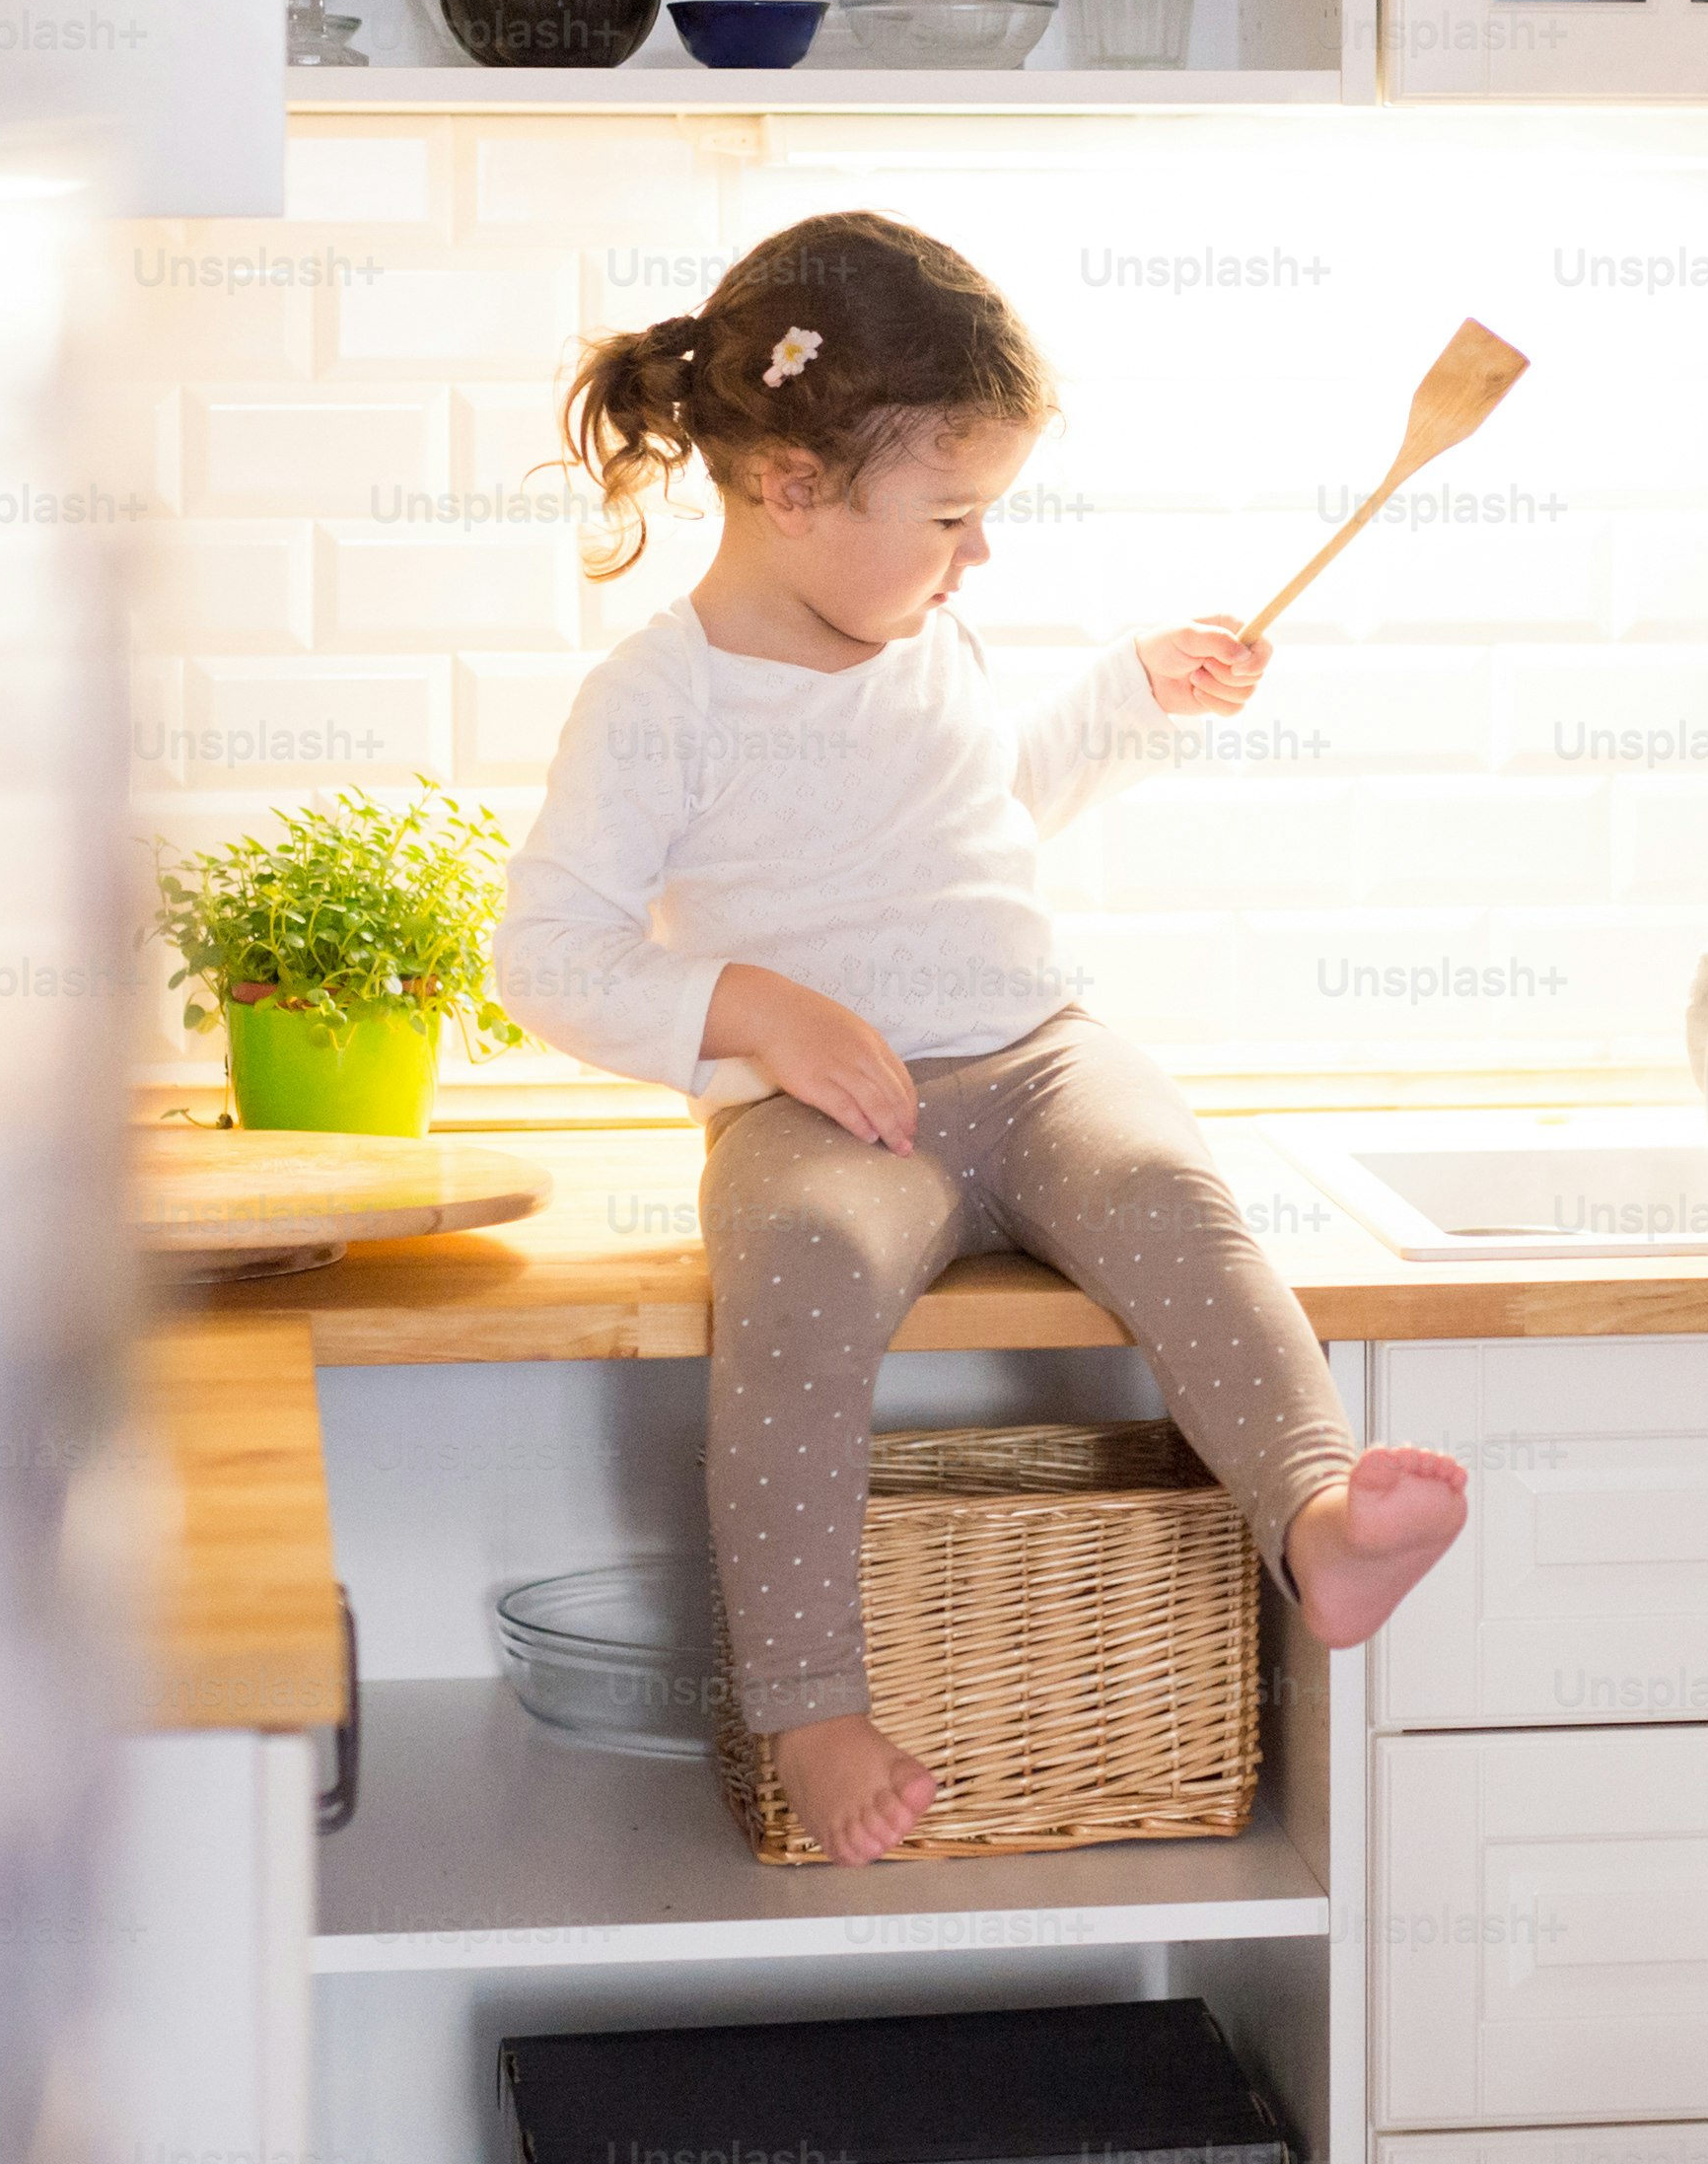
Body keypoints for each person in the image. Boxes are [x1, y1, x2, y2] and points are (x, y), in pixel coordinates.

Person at [495, 210, 1471, 1865]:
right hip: (823, 1116)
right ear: (791, 483)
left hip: (1030, 1054)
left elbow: (980, 809)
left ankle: (1316, 1520)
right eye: (953, 515)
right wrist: (749, 1009)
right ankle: (809, 1703)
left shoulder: (920, 626)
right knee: (795, 1283)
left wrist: (1130, 696)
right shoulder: (662, 701)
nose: (979, 556)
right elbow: (547, 956)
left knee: (1170, 1182)